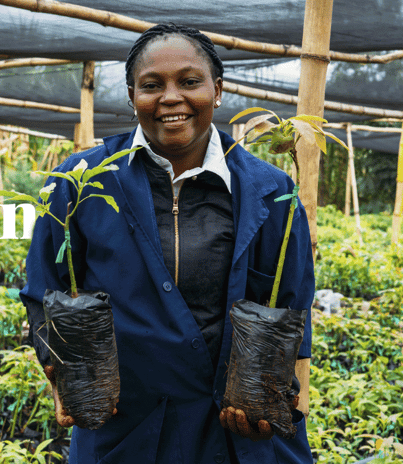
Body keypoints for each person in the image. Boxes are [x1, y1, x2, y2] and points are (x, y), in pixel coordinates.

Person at [20, 23, 314, 464]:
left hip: (235, 431)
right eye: (151, 85)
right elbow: (43, 290)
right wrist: (63, 380)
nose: (170, 98)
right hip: (124, 428)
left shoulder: (270, 191)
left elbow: (293, 306)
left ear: (217, 90)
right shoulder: (80, 181)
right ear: (131, 95)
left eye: (190, 82)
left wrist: (289, 396)